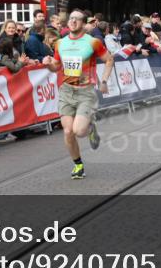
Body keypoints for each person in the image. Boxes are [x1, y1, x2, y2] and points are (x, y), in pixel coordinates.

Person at [43, 10, 114, 179]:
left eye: (77, 19)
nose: (73, 21)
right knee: (68, 132)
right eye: (71, 19)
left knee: (79, 131)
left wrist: (103, 81)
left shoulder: (93, 42)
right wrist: (48, 65)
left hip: (85, 92)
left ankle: (90, 127)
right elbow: (57, 67)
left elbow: (109, 60)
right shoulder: (60, 43)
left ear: (83, 23)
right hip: (66, 91)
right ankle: (78, 165)